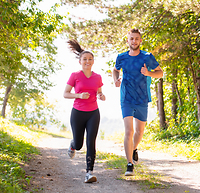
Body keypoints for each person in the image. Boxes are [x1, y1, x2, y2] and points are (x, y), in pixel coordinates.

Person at [112, 28, 163, 176]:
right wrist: (116, 80)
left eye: (136, 39)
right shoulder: (121, 57)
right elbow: (115, 70)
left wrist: (148, 73)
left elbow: (160, 73)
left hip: (142, 99)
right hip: (126, 98)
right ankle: (129, 164)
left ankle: (133, 149)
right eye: (131, 38)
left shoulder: (147, 57)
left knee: (140, 132)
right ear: (127, 41)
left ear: (140, 41)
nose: (134, 41)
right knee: (129, 131)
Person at [64, 39, 106, 183]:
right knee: (79, 144)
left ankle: (89, 172)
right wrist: (78, 95)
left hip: (93, 112)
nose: (87, 61)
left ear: (93, 61)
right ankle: (72, 145)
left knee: (91, 142)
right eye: (85, 59)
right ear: (80, 61)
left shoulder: (97, 77)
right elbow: (66, 94)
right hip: (78, 113)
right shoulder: (75, 75)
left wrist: (101, 96)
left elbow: (99, 92)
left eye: (90, 59)